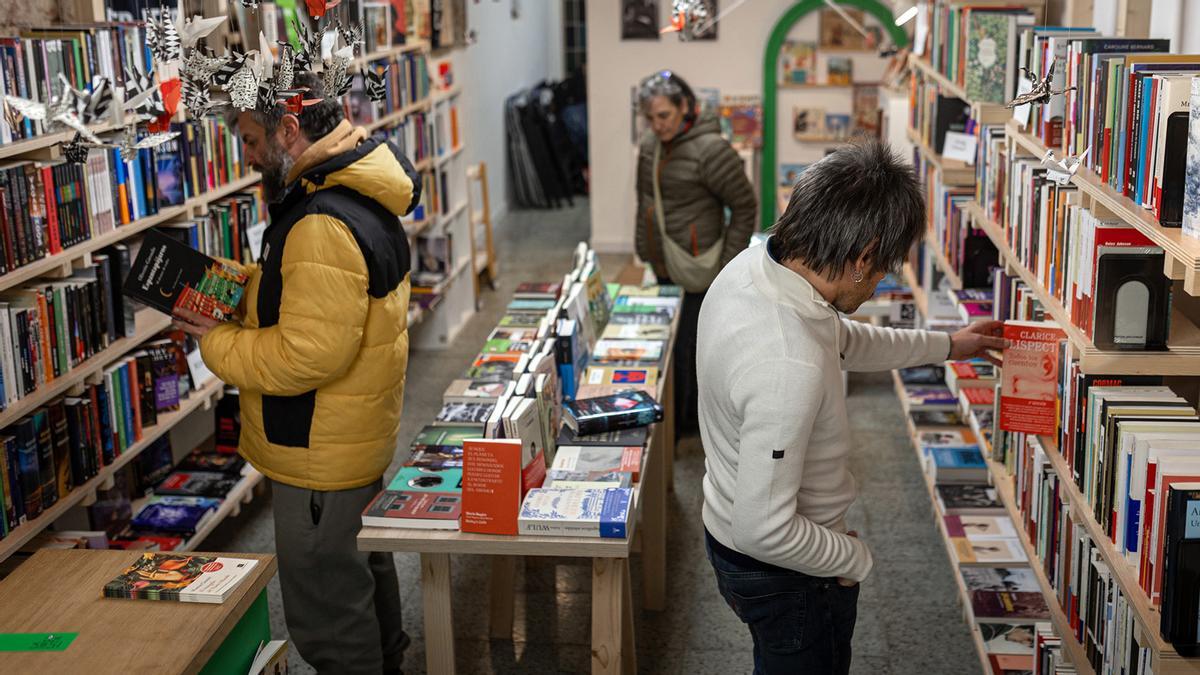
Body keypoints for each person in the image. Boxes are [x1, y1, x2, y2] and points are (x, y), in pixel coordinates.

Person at [697, 140, 1005, 675]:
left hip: (729, 529)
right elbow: (761, 530)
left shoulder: (754, 268)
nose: (881, 279)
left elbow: (840, 339)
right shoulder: (785, 365)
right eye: (883, 267)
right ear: (863, 256)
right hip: (784, 571)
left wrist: (948, 345)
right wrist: (850, 558)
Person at [174, 72, 421, 674]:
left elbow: (306, 356)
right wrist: (242, 291)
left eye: (255, 140)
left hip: (318, 450)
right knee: (361, 572)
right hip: (347, 437)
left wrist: (217, 342)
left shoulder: (321, 219)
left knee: (328, 614)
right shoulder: (353, 188)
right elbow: (321, 299)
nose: (250, 156)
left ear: (290, 128)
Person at [634, 70, 756, 435]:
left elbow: (745, 206)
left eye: (664, 116)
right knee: (667, 344)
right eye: (650, 118)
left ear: (684, 107)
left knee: (689, 350)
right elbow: (645, 201)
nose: (657, 126)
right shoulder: (650, 145)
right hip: (663, 263)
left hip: (700, 268)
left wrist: (725, 266)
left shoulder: (712, 151)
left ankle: (686, 427)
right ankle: (672, 417)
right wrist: (644, 245)